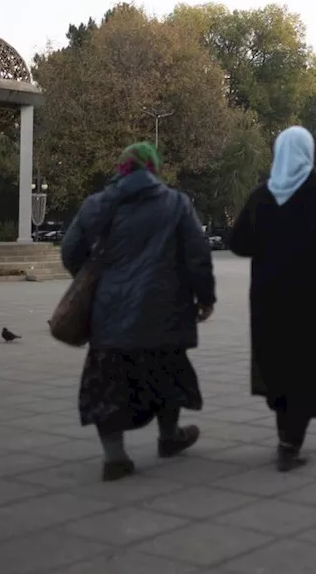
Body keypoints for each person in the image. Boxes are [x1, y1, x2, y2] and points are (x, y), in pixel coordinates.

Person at [61, 142, 215, 482]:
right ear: (153, 168)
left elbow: (70, 252)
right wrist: (205, 298)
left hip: (109, 314)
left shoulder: (96, 205)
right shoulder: (176, 204)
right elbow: (197, 256)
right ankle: (169, 437)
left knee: (106, 385)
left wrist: (95, 283)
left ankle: (114, 456)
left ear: (121, 169)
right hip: (165, 311)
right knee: (167, 374)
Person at [230, 126, 316, 472]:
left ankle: (286, 437)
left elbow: (238, 243)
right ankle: (290, 443)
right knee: (311, 367)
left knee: (280, 367)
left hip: (269, 301)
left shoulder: (262, 196)